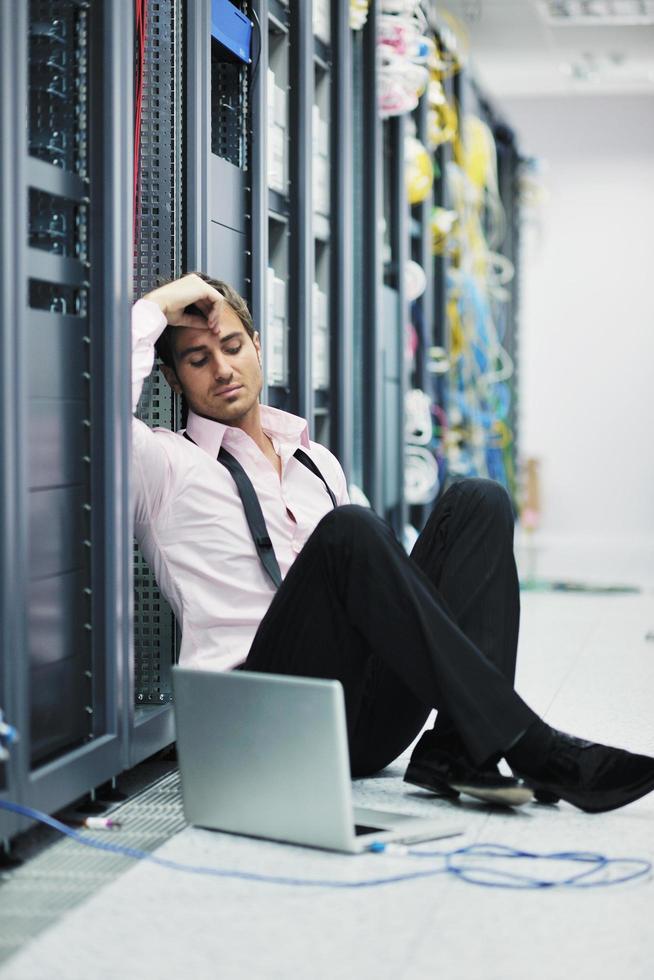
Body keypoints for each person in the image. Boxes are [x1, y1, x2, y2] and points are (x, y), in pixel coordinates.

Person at [132, 272, 654, 813]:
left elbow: (378, 598)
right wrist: (156, 306)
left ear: (258, 346)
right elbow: (92, 410)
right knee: (350, 531)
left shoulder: (316, 462)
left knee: (479, 500)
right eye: (197, 360)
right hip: (268, 717)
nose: (222, 369)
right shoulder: (166, 465)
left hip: (365, 722)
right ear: (173, 380)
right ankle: (533, 744)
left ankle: (458, 751)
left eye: (233, 346)